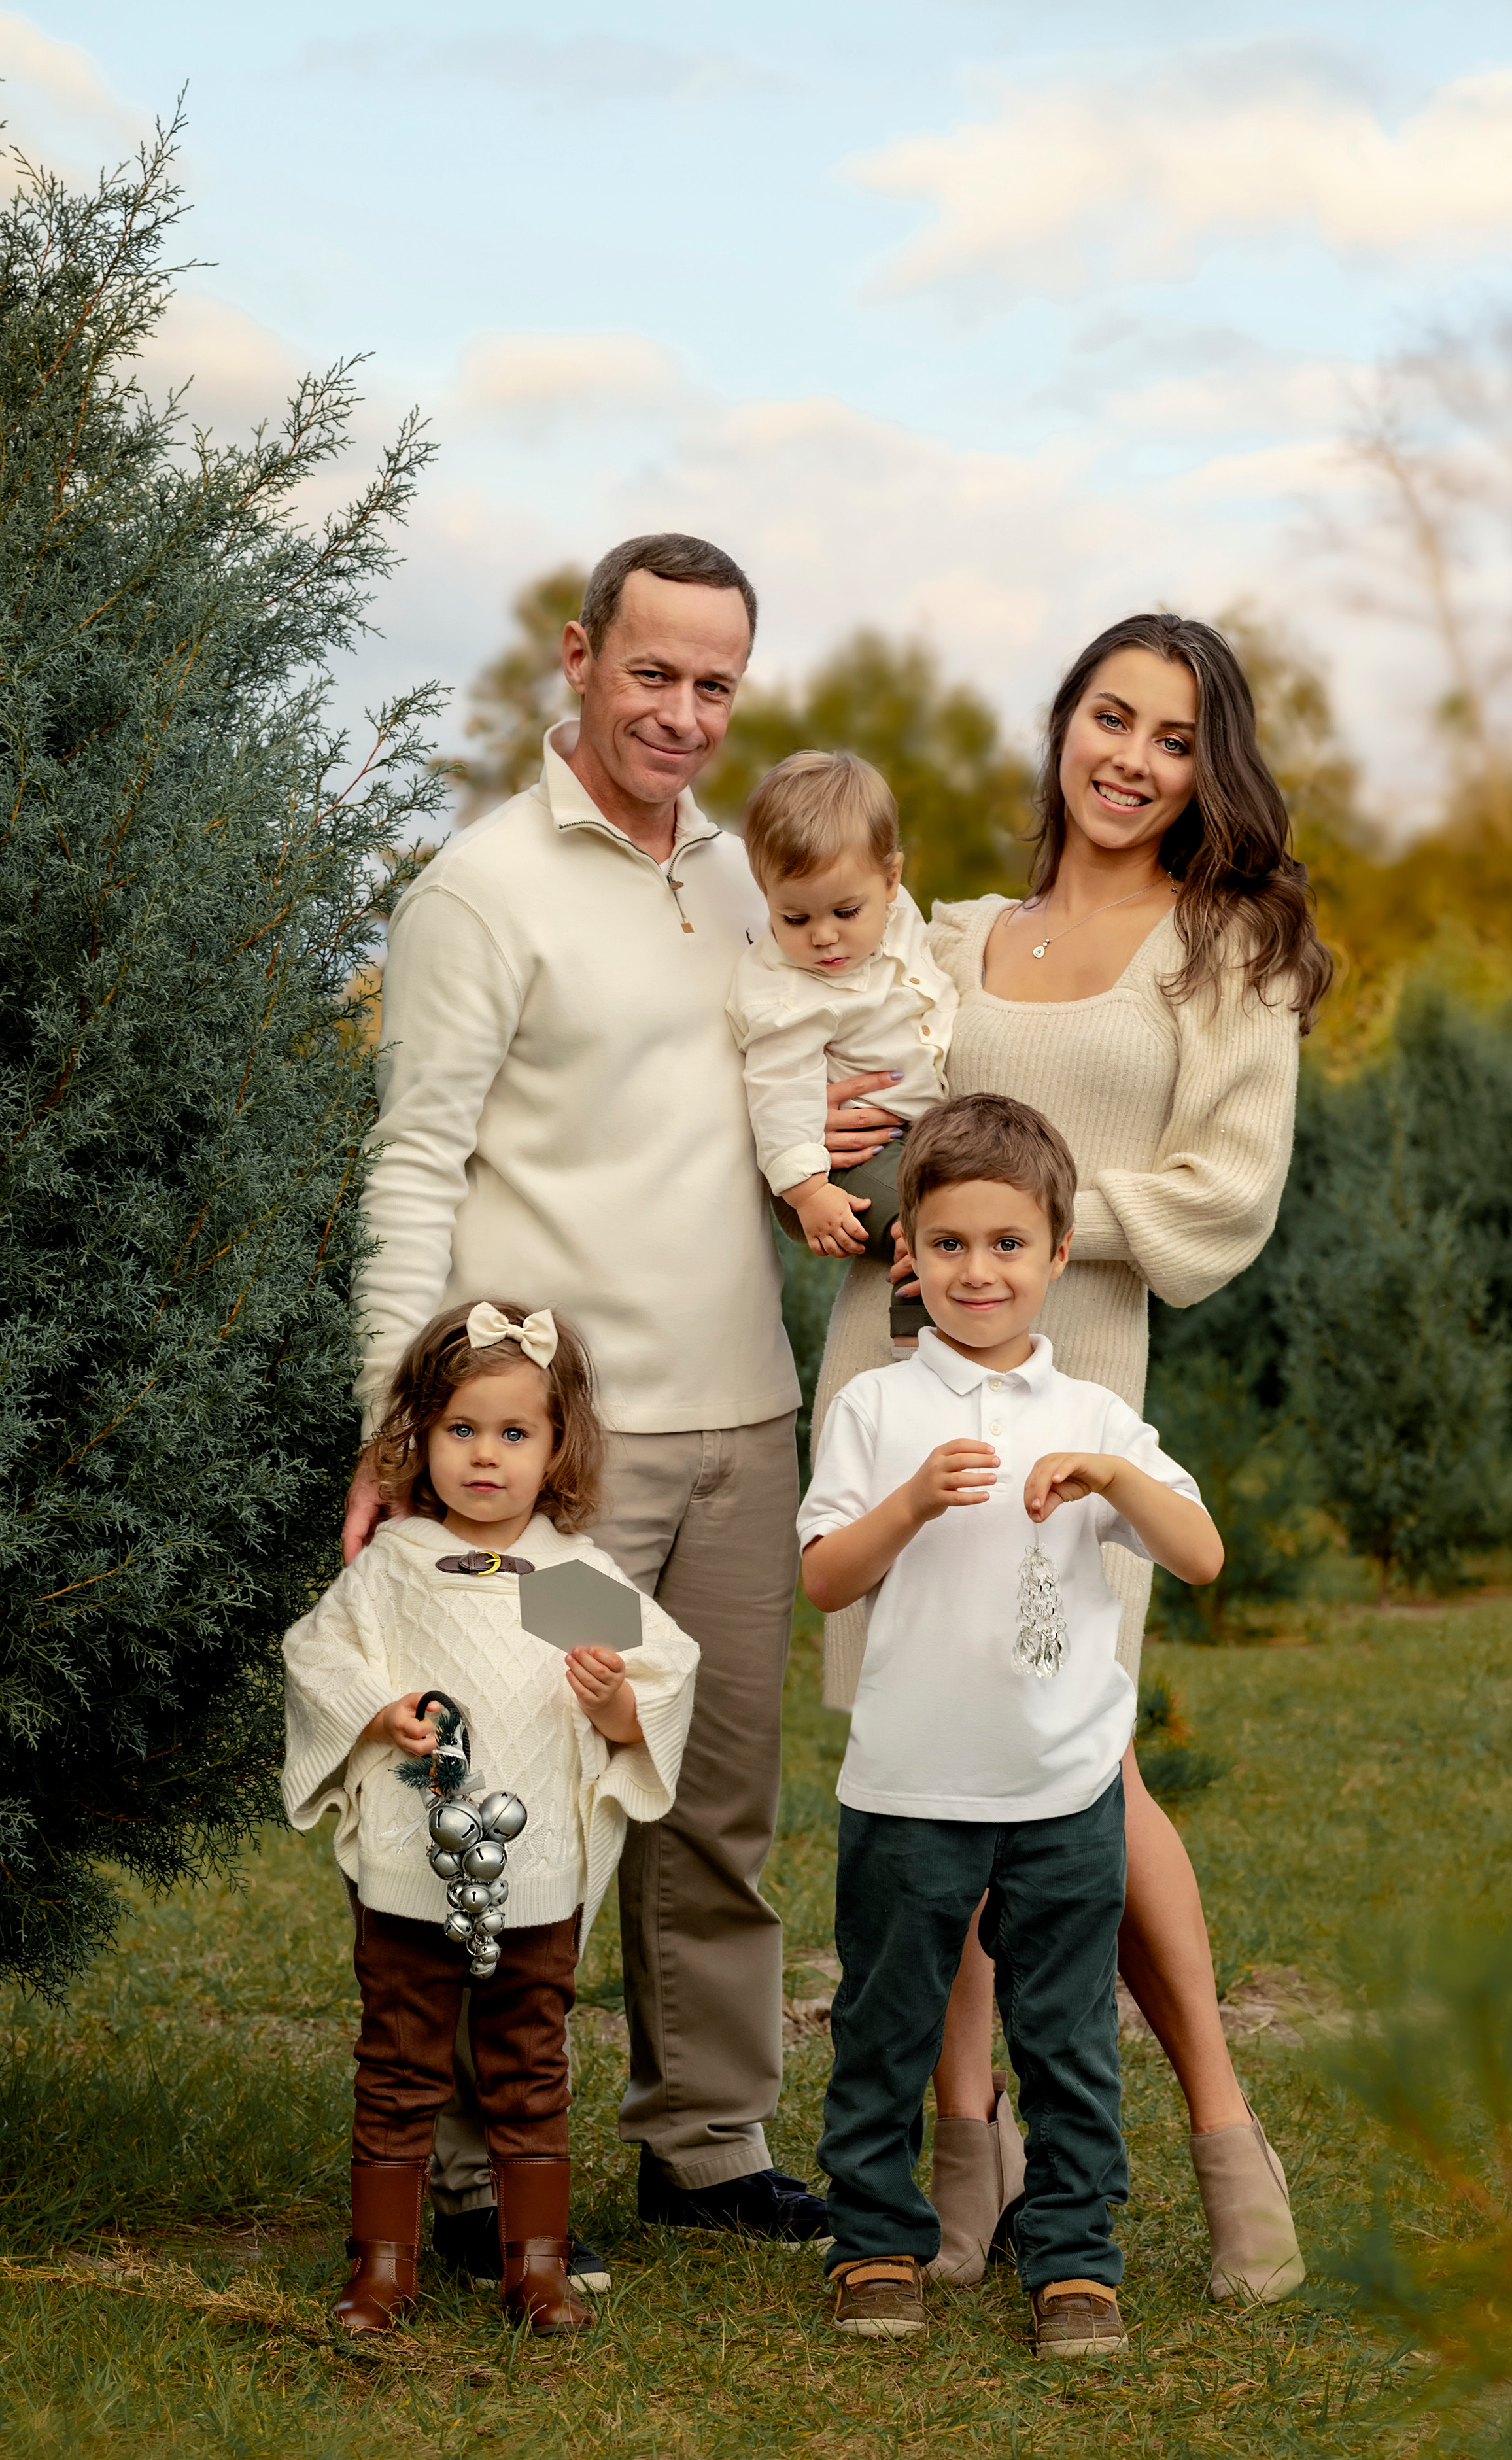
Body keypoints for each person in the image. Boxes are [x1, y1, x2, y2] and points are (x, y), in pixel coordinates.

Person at [815, 613, 1332, 2302]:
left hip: (1077, 1380)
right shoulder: (953, 936)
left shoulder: (1223, 951)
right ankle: (968, 2145)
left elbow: (1223, 1197)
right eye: (1112, 717)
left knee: (1084, 1767)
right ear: (1064, 725)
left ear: (1207, 770)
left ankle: (1226, 2137)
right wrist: (842, 1153)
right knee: (934, 1760)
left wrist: (1023, 1227)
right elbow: (848, 1095)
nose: (1132, 758)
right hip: (900, 1369)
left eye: (1175, 739)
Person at [341, 533, 827, 2274]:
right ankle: (479, 2175)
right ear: (577, 657)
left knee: (716, 1806)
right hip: (558, 1461)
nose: (682, 714)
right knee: (525, 1794)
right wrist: (394, 1426)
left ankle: (706, 2145)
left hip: (743, 1419)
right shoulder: (481, 889)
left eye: (715, 684)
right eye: (652, 673)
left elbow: (784, 1090)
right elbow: (415, 1164)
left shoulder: (749, 880)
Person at [800, 1096, 1223, 2356]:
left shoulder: (1091, 1417)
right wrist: (910, 1505)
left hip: (1065, 1790)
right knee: (885, 2031)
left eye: (1006, 1245)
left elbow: (1200, 1555)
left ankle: (1075, 2260)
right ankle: (876, 2246)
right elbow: (824, 1580)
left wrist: (1119, 1478)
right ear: (910, 1253)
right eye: (948, 1245)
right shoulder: (877, 1408)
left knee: (1070, 2038)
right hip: (909, 1788)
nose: (977, 1272)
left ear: (1058, 1251)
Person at [284, 1299, 700, 2336]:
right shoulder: (400, 1567)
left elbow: (665, 1667)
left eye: (515, 1433)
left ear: (557, 1446)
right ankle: (381, 2269)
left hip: (535, 1864)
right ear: (419, 1438)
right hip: (410, 1864)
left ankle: (537, 2266)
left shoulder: (561, 1580)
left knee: (529, 2066)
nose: (485, 1456)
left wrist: (616, 1704)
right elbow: (317, 1654)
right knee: (399, 2063)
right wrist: (377, 1711)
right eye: (461, 1429)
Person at [725, 748, 955, 1333]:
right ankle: (919, 1342)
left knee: (973, 1201)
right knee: (931, 1223)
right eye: (795, 920)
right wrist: (808, 1194)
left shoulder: (898, 912)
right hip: (855, 1157)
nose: (824, 937)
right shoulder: (785, 993)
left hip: (924, 1131)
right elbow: (779, 1091)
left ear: (892, 880)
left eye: (846, 912)